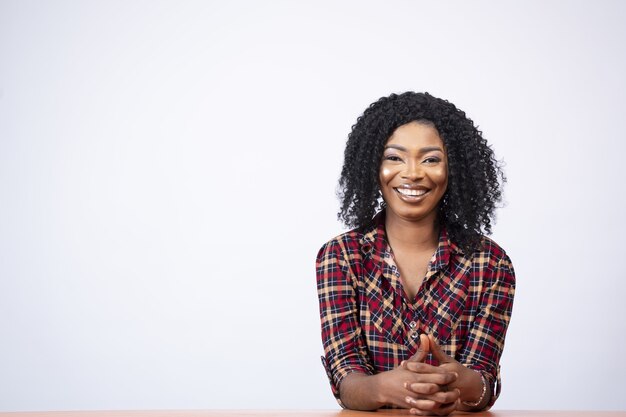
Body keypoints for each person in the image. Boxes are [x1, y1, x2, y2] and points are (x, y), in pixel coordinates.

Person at [316, 92, 515, 415]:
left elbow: (483, 385)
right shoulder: (340, 257)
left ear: (455, 169)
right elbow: (346, 379)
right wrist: (384, 387)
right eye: (394, 157)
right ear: (372, 166)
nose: (412, 173)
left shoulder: (490, 264)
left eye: (431, 159)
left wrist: (457, 382)